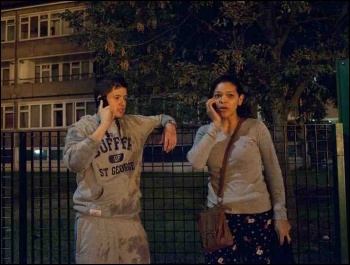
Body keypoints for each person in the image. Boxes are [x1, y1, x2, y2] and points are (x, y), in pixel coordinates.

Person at [63, 75, 177, 264]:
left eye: (125, 97)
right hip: (94, 220)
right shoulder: (83, 127)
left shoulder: (132, 124)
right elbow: (74, 162)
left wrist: (170, 125)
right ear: (101, 100)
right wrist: (104, 125)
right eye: (116, 97)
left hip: (129, 218)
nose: (123, 103)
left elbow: (161, 118)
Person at [186, 75, 291, 264]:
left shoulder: (255, 127)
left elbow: (273, 172)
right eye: (218, 95)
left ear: (240, 99)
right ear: (211, 101)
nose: (223, 100)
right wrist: (215, 126)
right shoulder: (206, 131)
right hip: (220, 218)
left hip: (257, 214)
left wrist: (280, 215)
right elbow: (196, 163)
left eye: (230, 95)